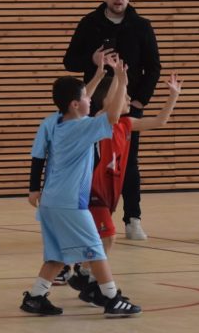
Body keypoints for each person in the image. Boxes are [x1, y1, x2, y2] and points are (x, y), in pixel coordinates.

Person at [20, 55, 142, 318]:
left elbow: (39, 155)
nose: (90, 99)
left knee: (57, 255)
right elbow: (113, 115)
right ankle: (112, 298)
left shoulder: (54, 121)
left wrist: (99, 75)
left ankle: (36, 297)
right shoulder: (83, 127)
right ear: (75, 105)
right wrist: (121, 80)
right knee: (95, 249)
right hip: (71, 203)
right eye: (86, 98)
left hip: (50, 201)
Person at [65, 66, 181, 303]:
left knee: (99, 238)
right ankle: (94, 283)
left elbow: (160, 121)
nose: (127, 99)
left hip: (110, 192)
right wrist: (120, 79)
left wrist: (173, 97)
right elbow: (109, 105)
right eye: (123, 95)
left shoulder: (126, 124)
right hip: (93, 190)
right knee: (109, 237)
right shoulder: (101, 121)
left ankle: (83, 272)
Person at [63, 0, 161, 240]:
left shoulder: (141, 26)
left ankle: (133, 218)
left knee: (128, 162)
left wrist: (140, 100)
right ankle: (89, 215)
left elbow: (154, 67)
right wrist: (92, 59)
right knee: (92, 161)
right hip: (95, 105)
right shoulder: (89, 23)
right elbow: (69, 60)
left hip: (128, 105)